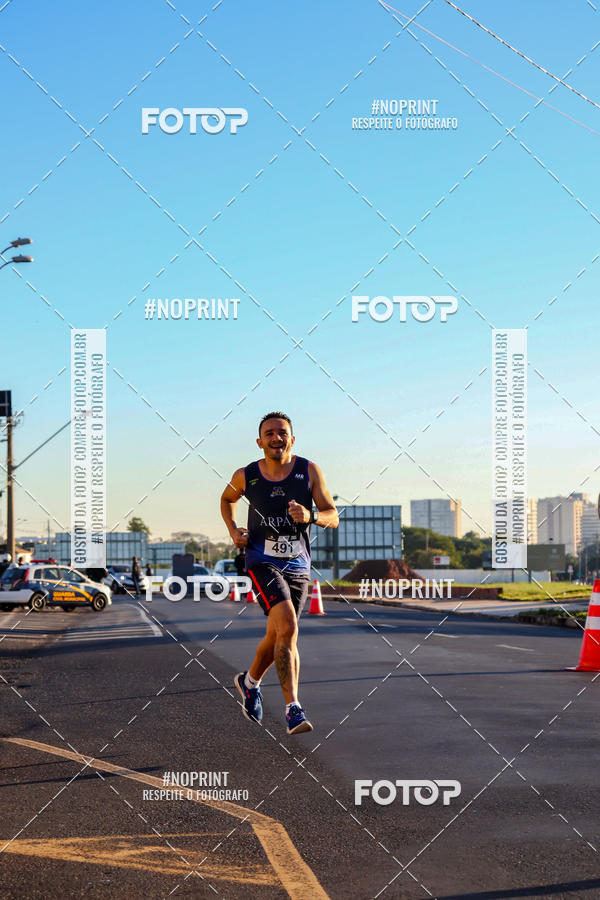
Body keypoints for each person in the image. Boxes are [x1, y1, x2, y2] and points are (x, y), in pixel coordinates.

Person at [221, 411, 338, 734]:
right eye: (270, 433)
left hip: (298, 566)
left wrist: (311, 516)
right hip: (261, 561)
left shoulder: (308, 471)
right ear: (260, 442)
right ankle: (293, 709)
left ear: (292, 439)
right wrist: (233, 530)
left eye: (282, 432)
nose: (276, 438)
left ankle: (249, 681)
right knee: (287, 626)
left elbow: (333, 515)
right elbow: (227, 498)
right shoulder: (247, 475)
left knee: (278, 635)